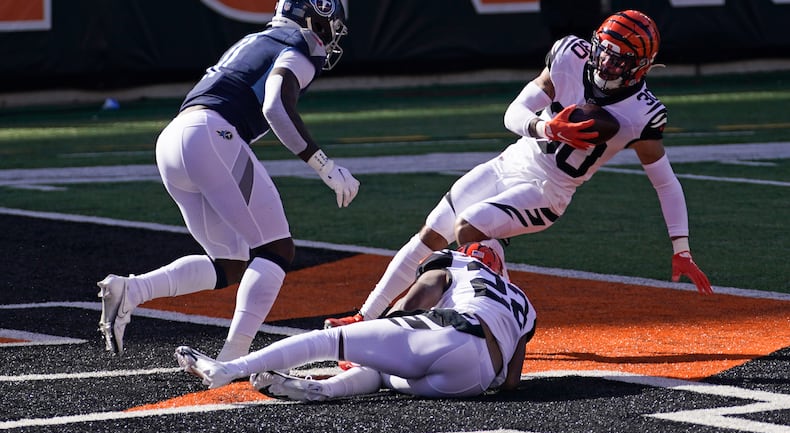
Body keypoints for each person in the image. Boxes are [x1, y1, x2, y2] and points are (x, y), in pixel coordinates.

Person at [325, 9, 713, 332]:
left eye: (621, 59)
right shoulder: (569, 56)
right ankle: (365, 316)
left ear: (642, 67)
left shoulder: (641, 114)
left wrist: (682, 248)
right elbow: (513, 113)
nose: (609, 62)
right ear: (595, 43)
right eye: (606, 51)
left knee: (471, 225)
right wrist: (547, 127)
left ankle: (501, 319)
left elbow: (665, 182)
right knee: (431, 232)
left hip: (548, 190)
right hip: (513, 159)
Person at [97, 0, 360, 360]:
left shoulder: (261, 39)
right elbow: (276, 106)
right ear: (317, 16)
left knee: (230, 261)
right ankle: (232, 359)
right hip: (210, 134)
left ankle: (131, 290)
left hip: (174, 138)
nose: (333, 37)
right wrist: (325, 165)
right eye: (333, 25)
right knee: (275, 249)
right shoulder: (298, 46)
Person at [175, 243, 537, 401]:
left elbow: (415, 300)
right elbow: (511, 382)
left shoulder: (457, 264)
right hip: (470, 381)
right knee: (381, 369)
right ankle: (323, 390)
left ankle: (228, 369)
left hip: (456, 331)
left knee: (330, 340)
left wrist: (377, 331)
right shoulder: (522, 300)